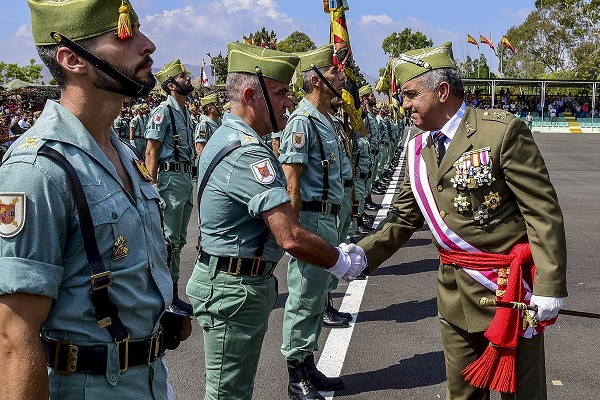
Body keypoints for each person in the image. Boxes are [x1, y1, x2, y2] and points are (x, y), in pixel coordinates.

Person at [357, 42, 567, 400]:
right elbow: (404, 218)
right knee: (463, 396)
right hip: (455, 296)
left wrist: (549, 283)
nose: (403, 104)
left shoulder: (500, 132)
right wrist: (359, 256)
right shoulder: (418, 147)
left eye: (410, 95)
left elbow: (542, 211)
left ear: (441, 91)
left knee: (523, 395)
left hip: (510, 293)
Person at [0, 1, 173, 399]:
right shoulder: (37, 170)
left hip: (146, 380)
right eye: (125, 35)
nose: (148, 45)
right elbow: (13, 339)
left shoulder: (122, 151)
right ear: (72, 59)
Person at [186, 41, 364, 400]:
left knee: (233, 389)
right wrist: (341, 261)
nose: (289, 99)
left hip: (238, 282)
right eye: (281, 92)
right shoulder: (246, 150)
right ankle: (298, 370)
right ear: (251, 95)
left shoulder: (232, 136)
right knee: (227, 393)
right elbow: (291, 235)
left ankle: (305, 366)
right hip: (232, 286)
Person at [279, 44, 352, 395]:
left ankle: (307, 363)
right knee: (304, 298)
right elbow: (292, 182)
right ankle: (296, 374)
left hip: (327, 219)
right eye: (335, 69)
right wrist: (293, 235)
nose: (341, 74)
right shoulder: (303, 121)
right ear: (316, 79)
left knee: (317, 294)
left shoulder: (326, 120)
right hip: (308, 218)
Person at [145, 58, 196, 315]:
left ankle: (173, 292)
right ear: (171, 85)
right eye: (183, 76)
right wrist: (150, 188)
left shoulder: (184, 111)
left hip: (185, 178)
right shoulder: (163, 112)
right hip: (169, 178)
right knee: (169, 241)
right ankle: (167, 297)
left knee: (179, 240)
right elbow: (151, 152)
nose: (189, 79)